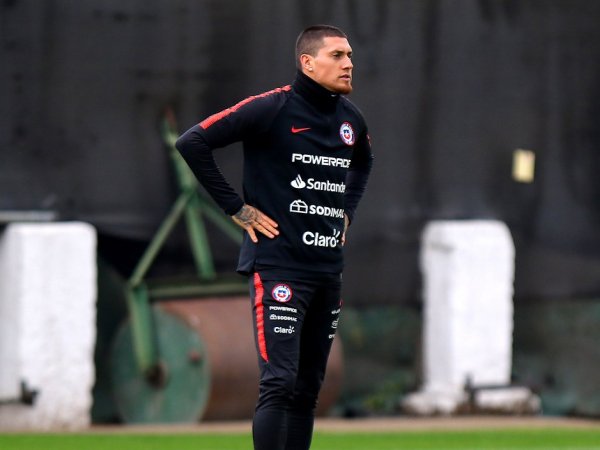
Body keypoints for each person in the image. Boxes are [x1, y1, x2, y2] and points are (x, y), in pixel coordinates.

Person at [176, 24, 373, 450]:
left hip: (327, 271)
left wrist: (347, 212)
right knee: (279, 383)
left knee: (307, 389)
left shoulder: (351, 119)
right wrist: (236, 207)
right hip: (279, 268)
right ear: (308, 62)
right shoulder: (272, 108)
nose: (348, 64)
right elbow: (192, 142)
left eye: (350, 56)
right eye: (337, 55)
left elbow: (363, 163)